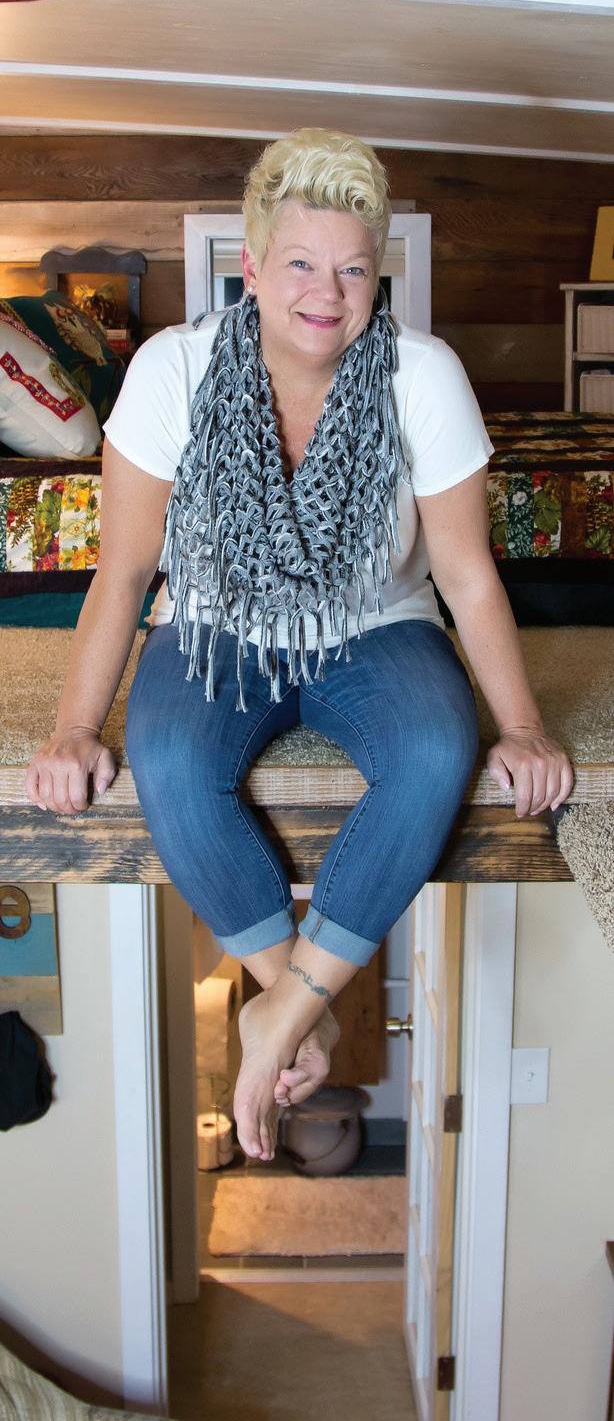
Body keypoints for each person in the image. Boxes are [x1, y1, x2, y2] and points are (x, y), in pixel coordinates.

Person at [26, 129, 574, 1161]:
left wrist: (522, 726)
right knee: (169, 758)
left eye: (353, 270)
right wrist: (71, 727)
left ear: (377, 278)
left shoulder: (422, 374)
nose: (327, 293)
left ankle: (274, 1013)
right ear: (251, 264)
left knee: (433, 750)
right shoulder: (173, 369)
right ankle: (298, 1008)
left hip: (378, 626)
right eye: (300, 264)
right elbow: (126, 570)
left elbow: (465, 575)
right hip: (213, 625)